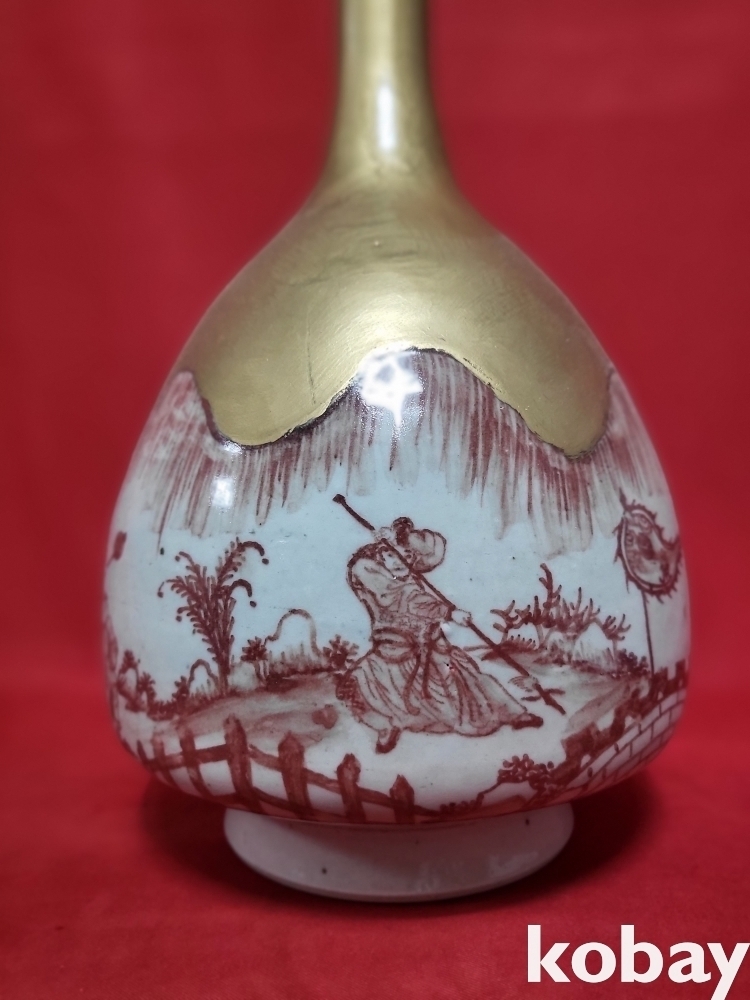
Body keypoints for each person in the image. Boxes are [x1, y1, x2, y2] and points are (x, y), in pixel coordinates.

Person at [336, 517, 543, 753]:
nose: (404, 560)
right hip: (391, 651)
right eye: (393, 554)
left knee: (468, 683)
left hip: (432, 647)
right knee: (357, 687)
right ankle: (385, 727)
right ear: (381, 556)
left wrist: (406, 537)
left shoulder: (407, 576)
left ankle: (514, 714)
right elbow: (409, 599)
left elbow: (429, 556)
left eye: (409, 555)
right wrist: (449, 613)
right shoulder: (374, 577)